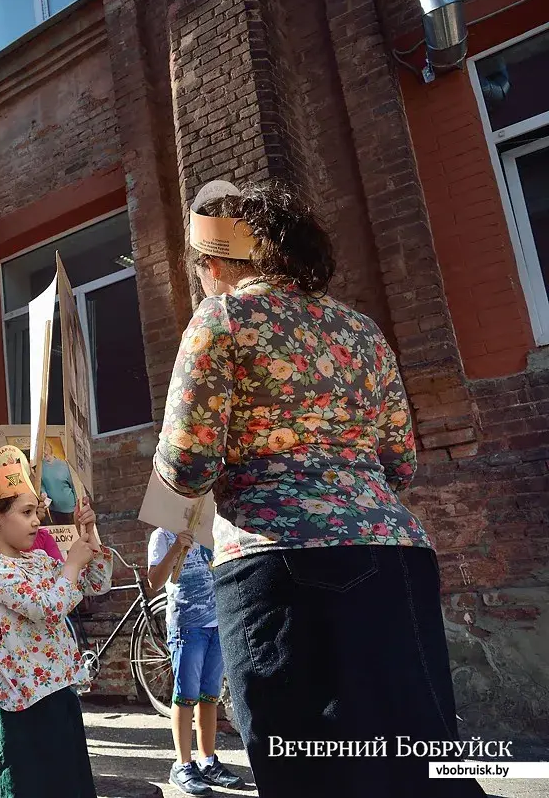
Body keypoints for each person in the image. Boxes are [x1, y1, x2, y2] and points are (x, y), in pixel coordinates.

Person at [155, 179, 484, 798]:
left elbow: (188, 467)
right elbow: (400, 466)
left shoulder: (222, 319)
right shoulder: (362, 330)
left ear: (219, 261)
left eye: (201, 266)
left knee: (304, 765)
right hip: (394, 555)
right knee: (421, 763)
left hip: (275, 561)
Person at [0, 460, 110, 798]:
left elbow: (98, 582)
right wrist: (73, 564)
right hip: (22, 704)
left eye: (37, 511)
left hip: (59, 692)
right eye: (26, 512)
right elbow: (47, 608)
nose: (37, 521)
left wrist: (88, 536)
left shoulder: (39, 560)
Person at [146, 525, 244, 796]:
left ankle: (207, 760)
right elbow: (154, 581)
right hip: (187, 626)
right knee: (185, 695)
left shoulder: (209, 529)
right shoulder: (162, 535)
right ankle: (182, 764)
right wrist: (177, 547)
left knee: (209, 696)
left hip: (217, 623)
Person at [39, 448, 77, 525]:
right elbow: (41, 483)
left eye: (45, 450)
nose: (44, 452)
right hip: (53, 509)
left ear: (50, 450)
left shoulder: (64, 465)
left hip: (70, 508)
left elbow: (74, 485)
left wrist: (77, 504)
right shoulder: (40, 467)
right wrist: (43, 492)